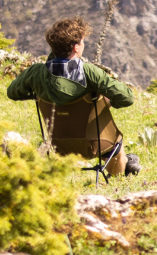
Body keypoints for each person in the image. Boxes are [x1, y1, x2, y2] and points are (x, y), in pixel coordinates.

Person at [7, 18, 140, 176]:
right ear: (76, 47)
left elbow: (12, 92)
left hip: (57, 146)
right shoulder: (89, 72)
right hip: (95, 145)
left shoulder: (36, 73)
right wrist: (108, 102)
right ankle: (119, 175)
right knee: (116, 143)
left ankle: (126, 163)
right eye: (83, 42)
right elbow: (127, 98)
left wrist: (40, 94)